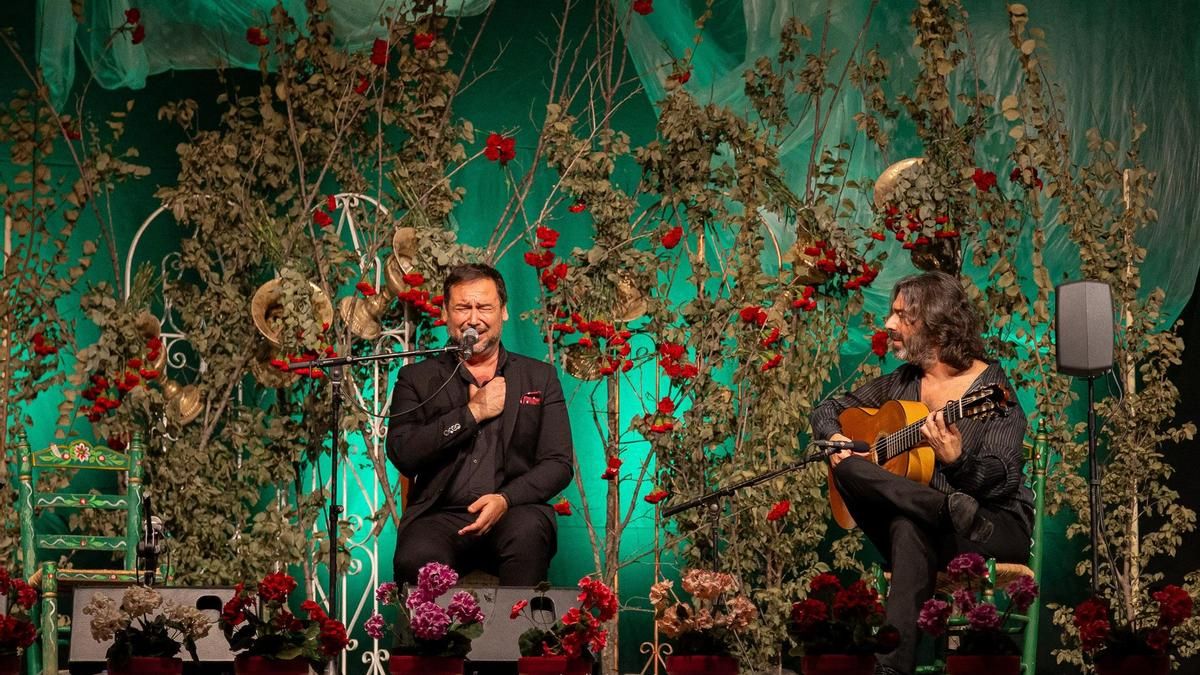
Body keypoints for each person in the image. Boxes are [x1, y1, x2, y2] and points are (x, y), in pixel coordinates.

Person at [810, 271, 1033, 675]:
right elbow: (826, 409)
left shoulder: (992, 391)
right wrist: (836, 437)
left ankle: (891, 669)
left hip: (989, 526)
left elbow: (1004, 480)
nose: (888, 324)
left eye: (901, 315)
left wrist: (957, 462)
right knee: (848, 464)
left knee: (907, 526)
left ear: (935, 323)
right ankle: (939, 508)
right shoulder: (903, 383)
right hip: (938, 526)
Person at [386, 263, 573, 586]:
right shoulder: (417, 378)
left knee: (529, 534)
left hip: (512, 510)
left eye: (484, 307)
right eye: (463, 308)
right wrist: (471, 414)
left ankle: (516, 624)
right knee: (415, 557)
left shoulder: (539, 377)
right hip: (440, 516)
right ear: (445, 313)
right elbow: (403, 453)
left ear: (503, 311)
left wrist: (505, 499)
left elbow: (558, 463)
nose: (473, 319)